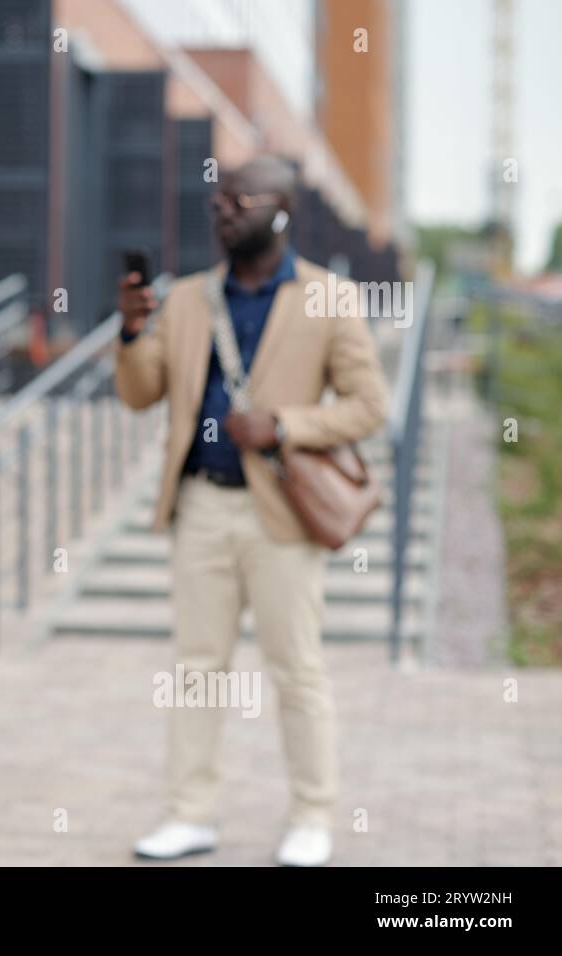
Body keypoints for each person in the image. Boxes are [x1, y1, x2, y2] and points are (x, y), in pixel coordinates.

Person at [113, 155, 388, 866]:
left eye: (239, 199)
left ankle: (312, 818)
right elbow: (140, 395)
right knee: (197, 667)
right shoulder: (187, 299)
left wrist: (286, 426)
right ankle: (190, 815)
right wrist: (131, 333)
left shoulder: (328, 296)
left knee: (296, 668)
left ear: (282, 209)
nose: (223, 210)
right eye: (217, 200)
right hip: (202, 503)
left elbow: (369, 407)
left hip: (283, 517)